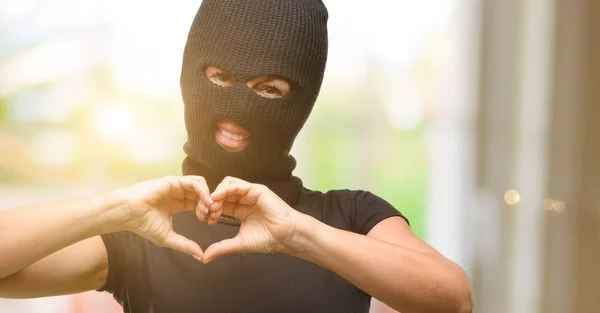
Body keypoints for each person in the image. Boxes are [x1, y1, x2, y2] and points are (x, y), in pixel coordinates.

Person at [0, 0, 473, 312]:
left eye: (270, 89)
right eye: (221, 78)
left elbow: (451, 298)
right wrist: (117, 208)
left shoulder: (346, 215)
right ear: (190, 77)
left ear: (301, 101)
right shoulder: (141, 230)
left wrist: (299, 234)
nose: (239, 109)